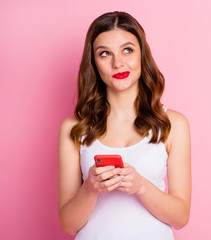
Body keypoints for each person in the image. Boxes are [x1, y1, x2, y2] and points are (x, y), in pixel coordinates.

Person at [58, 11, 191, 240]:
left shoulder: (173, 124)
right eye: (104, 54)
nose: (118, 63)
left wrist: (141, 186)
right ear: (94, 63)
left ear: (142, 55)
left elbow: (180, 218)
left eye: (127, 50)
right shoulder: (74, 129)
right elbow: (68, 225)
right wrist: (90, 188)